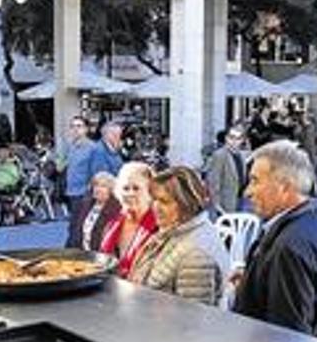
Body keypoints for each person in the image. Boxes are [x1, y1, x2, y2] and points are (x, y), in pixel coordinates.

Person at [233, 140, 317, 342]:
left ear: (284, 188)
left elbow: (289, 337)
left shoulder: (288, 246)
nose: (248, 192)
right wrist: (254, 282)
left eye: (255, 181)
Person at [129, 166, 230, 305]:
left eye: (164, 201)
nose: (155, 207)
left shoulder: (196, 255)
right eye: (154, 199)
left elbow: (190, 320)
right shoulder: (173, 230)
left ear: (186, 203)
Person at [100, 162, 158, 278]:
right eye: (125, 188)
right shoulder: (111, 224)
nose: (130, 193)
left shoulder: (159, 228)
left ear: (150, 193)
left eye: (136, 188)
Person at [66, 172, 121, 250]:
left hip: (103, 258)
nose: (98, 189)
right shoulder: (83, 206)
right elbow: (73, 233)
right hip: (81, 255)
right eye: (96, 185)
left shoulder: (116, 211)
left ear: (111, 191)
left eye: (103, 186)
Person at [64, 115, 96, 226]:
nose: (75, 129)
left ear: (86, 129)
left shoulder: (93, 148)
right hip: (71, 192)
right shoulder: (70, 147)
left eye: (79, 126)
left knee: (77, 228)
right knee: (75, 226)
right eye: (72, 126)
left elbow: (96, 171)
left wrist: (90, 191)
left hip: (85, 193)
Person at [206, 125, 246, 214]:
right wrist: (217, 205)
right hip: (225, 204)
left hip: (239, 200)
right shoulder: (219, 155)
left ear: (242, 140)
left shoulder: (242, 155)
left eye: (238, 138)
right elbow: (213, 182)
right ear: (226, 138)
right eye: (232, 138)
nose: (234, 141)